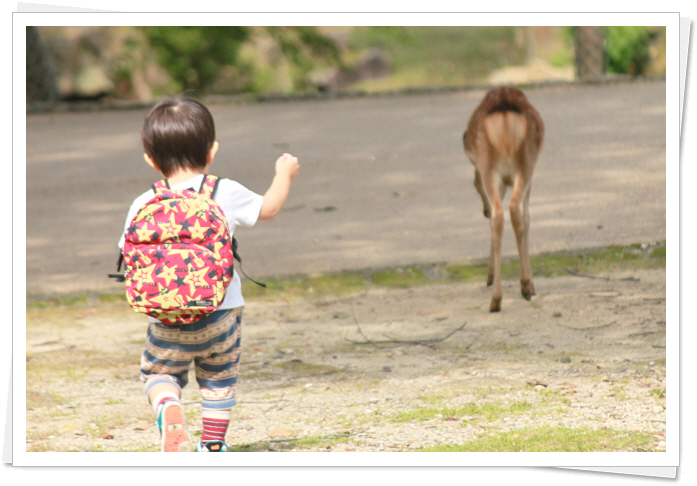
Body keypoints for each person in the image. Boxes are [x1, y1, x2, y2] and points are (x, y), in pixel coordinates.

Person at [117, 96, 300, 452]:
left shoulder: (144, 203)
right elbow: (270, 207)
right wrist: (283, 174)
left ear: (150, 160)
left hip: (165, 315)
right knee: (218, 378)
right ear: (211, 151)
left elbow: (128, 250)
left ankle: (168, 406)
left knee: (160, 374)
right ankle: (213, 446)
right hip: (221, 311)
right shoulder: (223, 192)